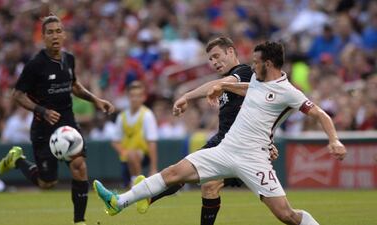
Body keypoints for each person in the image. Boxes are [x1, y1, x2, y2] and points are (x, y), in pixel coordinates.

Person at [93, 41, 347, 225]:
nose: (252, 64)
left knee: (286, 215)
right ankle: (119, 202)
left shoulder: (289, 92)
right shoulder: (257, 80)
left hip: (253, 158)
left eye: (256, 61)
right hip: (226, 149)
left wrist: (334, 140)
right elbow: (248, 88)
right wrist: (220, 87)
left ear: (267, 63)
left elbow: (320, 114)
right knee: (173, 173)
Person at [136, 36, 278, 224]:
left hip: (237, 147)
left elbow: (226, 87)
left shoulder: (243, 72)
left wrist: (187, 96)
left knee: (188, 175)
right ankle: (148, 196)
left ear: (230, 51)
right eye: (210, 59)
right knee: (207, 185)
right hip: (226, 143)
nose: (214, 62)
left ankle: (147, 195)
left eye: (217, 56)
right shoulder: (227, 84)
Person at [0, 14, 114, 225]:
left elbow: (74, 86)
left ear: (65, 34)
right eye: (50, 32)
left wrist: (96, 100)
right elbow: (17, 95)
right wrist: (41, 110)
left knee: (79, 166)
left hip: (68, 122)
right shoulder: (35, 65)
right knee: (47, 183)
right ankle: (18, 160)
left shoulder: (69, 59)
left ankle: (79, 221)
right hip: (44, 127)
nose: (55, 36)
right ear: (42, 37)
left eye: (58, 31)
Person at [111, 80, 158, 189]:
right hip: (126, 158)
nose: (135, 99)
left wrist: (153, 168)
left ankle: (137, 182)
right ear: (128, 97)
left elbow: (152, 142)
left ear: (143, 97)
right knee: (125, 187)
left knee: (133, 155)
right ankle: (136, 182)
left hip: (143, 154)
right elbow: (115, 141)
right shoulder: (122, 116)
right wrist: (124, 152)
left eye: (138, 96)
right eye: (132, 96)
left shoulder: (147, 115)